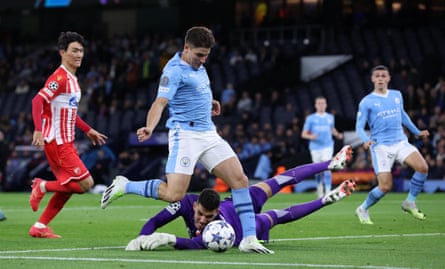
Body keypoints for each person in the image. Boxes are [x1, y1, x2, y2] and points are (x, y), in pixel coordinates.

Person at [105, 26, 255, 254]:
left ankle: (249, 239)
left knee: (240, 180)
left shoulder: (198, 66)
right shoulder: (173, 71)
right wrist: (149, 126)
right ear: (186, 48)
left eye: (206, 55)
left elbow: (194, 90)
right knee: (175, 195)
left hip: (208, 133)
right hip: (185, 136)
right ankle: (125, 185)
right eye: (199, 55)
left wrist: (209, 102)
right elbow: (160, 103)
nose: (203, 59)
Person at [124, 145, 354, 251]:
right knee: (280, 215)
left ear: (217, 215)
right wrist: (141, 239)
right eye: (200, 214)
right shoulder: (185, 203)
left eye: (208, 217)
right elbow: (154, 222)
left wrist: (168, 239)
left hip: (245, 226)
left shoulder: (215, 234)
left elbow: (190, 244)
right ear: (194, 206)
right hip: (233, 205)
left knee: (281, 180)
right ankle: (326, 199)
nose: (203, 220)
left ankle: (330, 164)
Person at [29, 32, 108, 238]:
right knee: (86, 184)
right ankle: (42, 185)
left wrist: (88, 129)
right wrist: (37, 129)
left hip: (65, 141)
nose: (79, 54)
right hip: (58, 142)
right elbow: (37, 101)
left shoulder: (72, 79)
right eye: (74, 50)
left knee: (68, 187)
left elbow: (69, 113)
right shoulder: (60, 78)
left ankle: (39, 227)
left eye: (81, 51)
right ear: (62, 52)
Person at [355, 65, 429, 225]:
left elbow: (402, 115)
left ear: (388, 78)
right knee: (386, 187)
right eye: (377, 76)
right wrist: (365, 139)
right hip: (381, 146)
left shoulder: (397, 95)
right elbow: (359, 126)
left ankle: (409, 202)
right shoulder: (366, 101)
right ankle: (363, 208)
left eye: (383, 75)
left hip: (401, 142)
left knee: (423, 167)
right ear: (372, 79)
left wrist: (416, 131)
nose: (380, 78)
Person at [301, 96, 343, 198]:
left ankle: (328, 191)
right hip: (315, 147)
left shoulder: (330, 117)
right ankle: (320, 189)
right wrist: (311, 136)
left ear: (326, 104)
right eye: (319, 103)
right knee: (318, 169)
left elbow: (332, 129)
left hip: (327, 146)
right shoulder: (310, 118)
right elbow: (303, 134)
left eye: (323, 103)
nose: (321, 105)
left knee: (327, 167)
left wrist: (337, 134)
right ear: (315, 105)